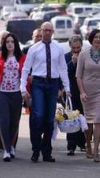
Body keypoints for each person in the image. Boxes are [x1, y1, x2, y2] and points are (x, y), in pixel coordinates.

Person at [20, 22, 71, 163]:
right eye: (45, 30)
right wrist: (22, 88)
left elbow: (62, 69)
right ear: (41, 32)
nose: (47, 33)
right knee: (38, 115)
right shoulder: (34, 49)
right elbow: (25, 69)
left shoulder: (58, 48)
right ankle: (36, 150)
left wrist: (67, 87)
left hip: (53, 84)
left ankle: (47, 152)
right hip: (38, 84)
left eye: (50, 30)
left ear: (53, 32)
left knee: (49, 119)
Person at [0, 33, 26, 162]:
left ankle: (12, 146)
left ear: (15, 44)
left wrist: (26, 92)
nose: (10, 43)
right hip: (2, 93)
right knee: (4, 121)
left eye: (12, 41)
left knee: (14, 122)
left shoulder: (22, 57)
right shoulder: (0, 56)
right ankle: (6, 150)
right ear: (4, 44)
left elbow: (26, 76)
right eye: (7, 41)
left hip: (16, 93)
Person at [76, 29, 100, 162]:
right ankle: (88, 144)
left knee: (98, 120)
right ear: (91, 39)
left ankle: (96, 149)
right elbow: (78, 76)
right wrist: (82, 92)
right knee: (88, 123)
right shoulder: (83, 55)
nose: (98, 39)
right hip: (87, 92)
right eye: (96, 37)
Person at [65, 35, 86, 156]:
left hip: (84, 91)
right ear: (70, 47)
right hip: (71, 92)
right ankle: (71, 145)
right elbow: (63, 72)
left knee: (83, 117)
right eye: (74, 48)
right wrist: (72, 62)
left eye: (78, 47)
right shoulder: (66, 57)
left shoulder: (85, 55)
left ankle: (83, 143)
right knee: (72, 118)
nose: (76, 50)